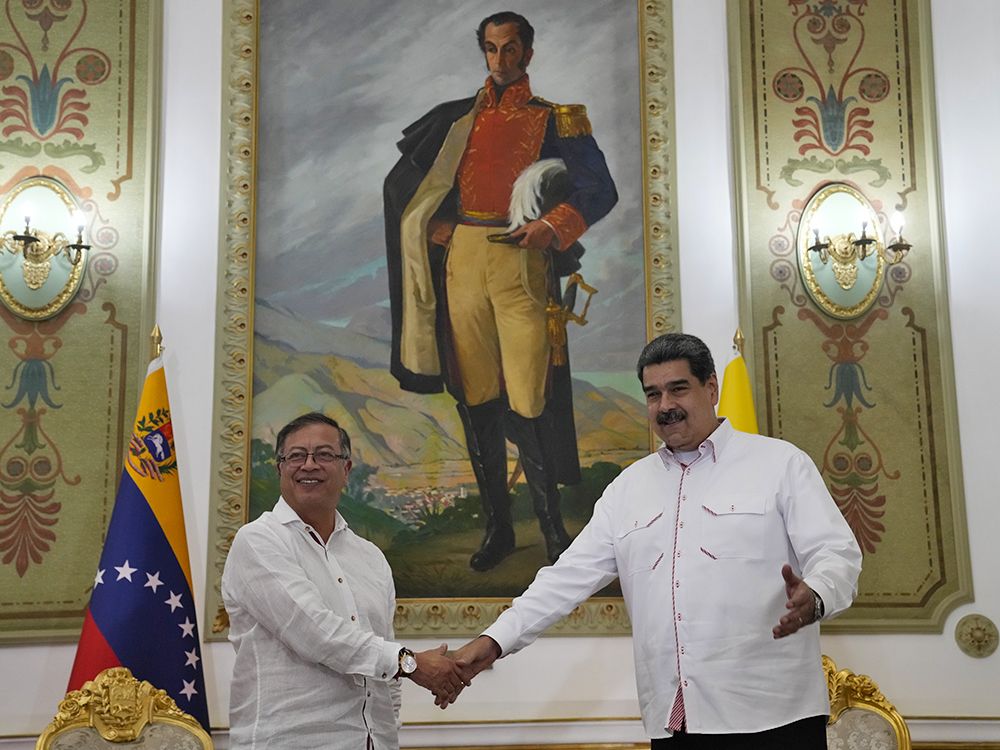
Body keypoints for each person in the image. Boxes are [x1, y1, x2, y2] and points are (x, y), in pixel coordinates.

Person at [453, 334, 863, 748]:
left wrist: (816, 595)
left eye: (678, 388)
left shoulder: (780, 464)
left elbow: (837, 554)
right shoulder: (626, 489)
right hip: (675, 722)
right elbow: (563, 579)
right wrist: (494, 642)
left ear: (712, 388)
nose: (665, 405)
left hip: (774, 718)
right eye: (653, 394)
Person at [383, 11, 619, 571]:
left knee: (529, 399)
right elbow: (405, 186)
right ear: (483, 53)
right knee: (477, 400)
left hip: (523, 264)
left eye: (510, 49)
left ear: (528, 53)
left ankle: (554, 531)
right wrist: (435, 225)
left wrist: (552, 226)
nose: (500, 60)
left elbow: (599, 190)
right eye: (491, 49)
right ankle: (500, 531)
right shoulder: (454, 121)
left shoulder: (558, 119)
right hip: (462, 263)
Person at [222, 412, 468, 749]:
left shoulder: (370, 557)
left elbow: (387, 675)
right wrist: (410, 664)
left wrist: (387, 734)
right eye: (296, 456)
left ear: (346, 470)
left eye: (324, 455)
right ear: (280, 467)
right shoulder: (258, 541)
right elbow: (315, 633)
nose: (309, 465)